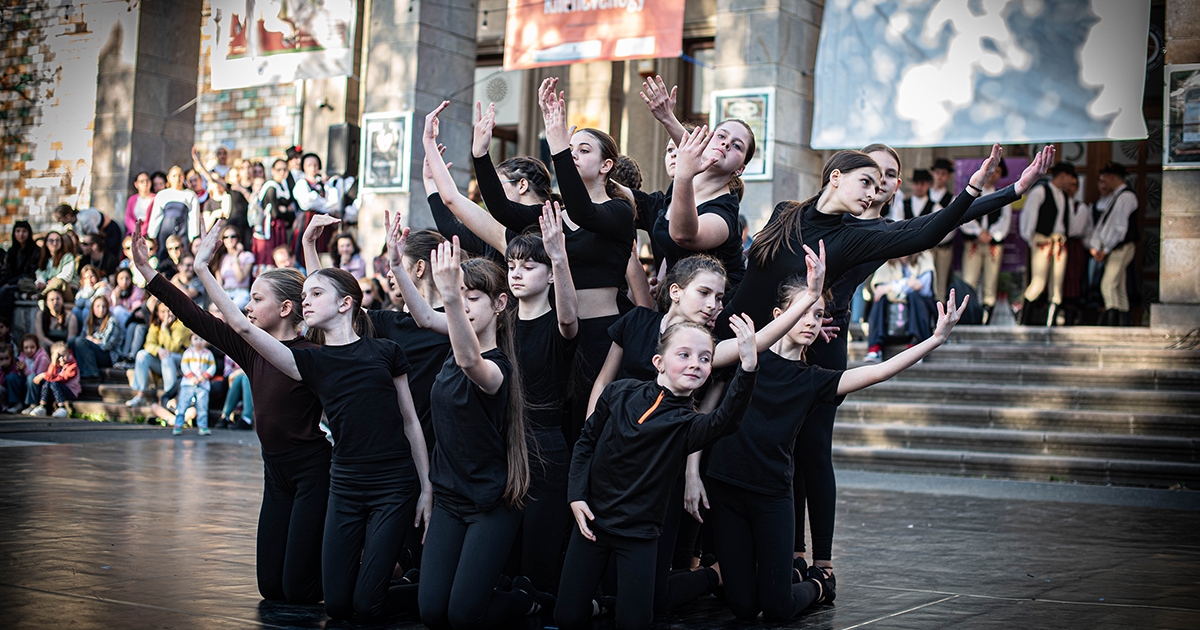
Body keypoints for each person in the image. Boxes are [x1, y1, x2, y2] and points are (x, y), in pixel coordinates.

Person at [197, 219, 432, 622]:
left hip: (393, 485)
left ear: (345, 304)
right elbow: (239, 325)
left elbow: (411, 422)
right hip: (344, 484)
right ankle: (404, 582)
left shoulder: (385, 351)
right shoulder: (311, 361)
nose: (305, 300)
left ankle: (430, 591)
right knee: (337, 605)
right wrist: (203, 268)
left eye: (315, 294)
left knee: (366, 606)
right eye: (302, 294)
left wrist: (426, 487)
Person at [701, 278, 968, 621]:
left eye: (818, 314)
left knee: (778, 608)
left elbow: (878, 371)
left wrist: (935, 339)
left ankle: (819, 584)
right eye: (803, 313)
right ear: (780, 314)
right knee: (743, 607)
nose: (811, 321)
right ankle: (787, 578)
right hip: (726, 487)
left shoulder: (814, 379)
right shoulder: (747, 351)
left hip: (770, 496)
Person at [132, 219, 330, 604]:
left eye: (257, 300)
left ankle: (364, 572)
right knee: (271, 590)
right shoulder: (251, 350)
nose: (247, 306)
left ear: (287, 308)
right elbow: (195, 317)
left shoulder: (314, 355)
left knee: (299, 590)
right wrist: (148, 274)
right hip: (276, 473)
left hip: (313, 473)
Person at [386, 233, 548, 629]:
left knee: (462, 616)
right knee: (431, 613)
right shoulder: (452, 336)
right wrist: (394, 266)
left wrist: (452, 296)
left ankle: (521, 599)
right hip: (450, 499)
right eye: (461, 297)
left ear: (499, 304)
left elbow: (468, 358)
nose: (463, 304)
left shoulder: (496, 369)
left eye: (473, 298)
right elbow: (425, 316)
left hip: (490, 505)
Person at [555, 317, 759, 630]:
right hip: (592, 525)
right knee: (567, 616)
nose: (695, 364)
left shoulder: (687, 425)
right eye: (685, 355)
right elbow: (586, 443)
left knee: (634, 621)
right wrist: (576, 496)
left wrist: (746, 368)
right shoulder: (619, 393)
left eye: (705, 359)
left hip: (638, 535)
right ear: (658, 362)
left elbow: (725, 421)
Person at [639, 76, 753, 291]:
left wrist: (683, 175)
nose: (726, 143)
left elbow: (683, 236)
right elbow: (670, 249)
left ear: (740, 169)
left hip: (719, 311)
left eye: (737, 146)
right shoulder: (688, 180)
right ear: (707, 141)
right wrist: (666, 116)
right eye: (721, 135)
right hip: (678, 298)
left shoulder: (723, 213)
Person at [1018, 161, 1078, 326]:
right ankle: (1024, 320)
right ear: (1062, 175)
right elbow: (1028, 218)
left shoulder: (1066, 197)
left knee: (1057, 285)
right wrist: (1031, 240)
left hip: (1059, 241)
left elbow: (1070, 224)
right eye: (1071, 177)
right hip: (1042, 240)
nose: (1072, 182)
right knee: (1038, 282)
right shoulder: (1040, 192)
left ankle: (1050, 323)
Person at [959, 159, 1013, 323]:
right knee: (969, 280)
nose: (993, 174)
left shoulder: (1002, 194)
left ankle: (986, 317)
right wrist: (977, 232)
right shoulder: (972, 193)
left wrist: (992, 235)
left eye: (997, 172)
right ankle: (969, 315)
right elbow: (962, 215)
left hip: (992, 245)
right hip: (974, 243)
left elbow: (1005, 220)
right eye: (991, 170)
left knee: (991, 281)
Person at [1087, 162, 1140, 326]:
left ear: (1112, 177)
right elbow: (1105, 225)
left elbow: (1119, 227)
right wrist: (1098, 245)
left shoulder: (1125, 197)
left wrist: (1106, 248)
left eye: (1105, 177)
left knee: (1108, 284)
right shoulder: (1116, 197)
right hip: (1114, 247)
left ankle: (1113, 323)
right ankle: (1123, 323)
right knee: (1119, 286)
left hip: (1121, 246)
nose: (1103, 181)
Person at [863, 252, 936, 362]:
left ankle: (915, 345)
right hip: (892, 308)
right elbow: (878, 289)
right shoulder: (886, 260)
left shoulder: (925, 256)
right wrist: (906, 283)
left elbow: (923, 288)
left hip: (916, 306)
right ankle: (875, 348)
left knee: (915, 297)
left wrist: (891, 287)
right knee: (879, 299)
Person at [125, 300, 190, 407]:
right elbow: (149, 344)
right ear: (157, 313)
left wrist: (164, 329)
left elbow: (172, 348)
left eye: (169, 311)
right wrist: (158, 350)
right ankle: (141, 395)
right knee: (142, 355)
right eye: (162, 311)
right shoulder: (155, 325)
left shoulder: (181, 325)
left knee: (167, 356)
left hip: (181, 363)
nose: (167, 314)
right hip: (164, 363)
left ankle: (169, 397)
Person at [290, 152, 341, 255]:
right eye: (309, 165)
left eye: (315, 165)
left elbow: (334, 204)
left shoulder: (324, 184)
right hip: (308, 220)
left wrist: (321, 203)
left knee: (323, 248)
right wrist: (324, 203)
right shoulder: (302, 183)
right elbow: (307, 203)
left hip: (323, 220)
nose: (313, 168)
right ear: (304, 167)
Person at [146, 166, 201, 258]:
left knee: (183, 255)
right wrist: (152, 235)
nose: (177, 179)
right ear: (169, 178)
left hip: (183, 229)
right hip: (165, 230)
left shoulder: (190, 195)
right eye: (174, 176)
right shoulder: (162, 194)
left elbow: (193, 217)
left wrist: (193, 236)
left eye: (180, 176)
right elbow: (156, 215)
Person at [252, 159, 295, 265]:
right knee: (270, 255)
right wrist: (286, 211)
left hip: (278, 226)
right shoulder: (271, 186)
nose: (282, 172)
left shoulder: (284, 186)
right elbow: (275, 212)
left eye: (284, 169)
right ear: (273, 170)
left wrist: (286, 211)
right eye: (279, 169)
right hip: (271, 227)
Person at [69, 296, 122, 380]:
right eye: (98, 306)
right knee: (72, 341)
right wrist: (91, 341)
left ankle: (92, 373)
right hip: (94, 352)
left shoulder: (112, 321)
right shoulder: (89, 320)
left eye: (104, 306)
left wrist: (92, 340)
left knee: (80, 341)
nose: (101, 309)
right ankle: (75, 370)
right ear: (93, 308)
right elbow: (83, 336)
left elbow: (106, 346)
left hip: (108, 356)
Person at [173, 333, 216, 436]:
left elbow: (212, 367)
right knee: (182, 405)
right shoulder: (188, 353)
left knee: (202, 406)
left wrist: (205, 376)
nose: (199, 341)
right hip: (188, 384)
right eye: (196, 338)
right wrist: (191, 376)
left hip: (203, 385)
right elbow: (184, 366)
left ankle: (203, 426)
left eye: (201, 338)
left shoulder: (208, 353)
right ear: (191, 340)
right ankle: (178, 425)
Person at [25, 341, 79, 418]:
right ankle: (42, 406)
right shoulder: (56, 363)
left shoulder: (72, 365)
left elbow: (62, 379)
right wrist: (53, 363)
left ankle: (62, 408)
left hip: (70, 392)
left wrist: (44, 375)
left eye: (64, 355)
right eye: (59, 356)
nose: (62, 359)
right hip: (56, 390)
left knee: (53, 382)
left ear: (68, 353)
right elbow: (50, 375)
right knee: (47, 382)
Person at [212, 225, 256, 310]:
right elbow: (219, 285)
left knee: (231, 309)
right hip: (226, 293)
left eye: (233, 236)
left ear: (238, 238)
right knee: (214, 308)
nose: (229, 239)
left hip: (241, 293)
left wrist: (236, 257)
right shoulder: (221, 258)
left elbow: (240, 278)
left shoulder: (247, 256)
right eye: (226, 237)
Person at [35, 231, 78, 296]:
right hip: (48, 286)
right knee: (23, 282)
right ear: (46, 243)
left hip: (65, 289)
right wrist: (40, 282)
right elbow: (40, 274)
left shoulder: (68, 257)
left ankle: (42, 295)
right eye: (51, 240)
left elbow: (66, 276)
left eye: (57, 240)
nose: (54, 243)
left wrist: (49, 284)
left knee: (58, 280)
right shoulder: (47, 259)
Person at [125, 171, 156, 236]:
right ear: (136, 184)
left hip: (150, 233)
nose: (145, 183)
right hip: (134, 233)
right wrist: (135, 231)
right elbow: (128, 218)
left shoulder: (155, 198)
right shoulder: (132, 199)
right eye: (142, 181)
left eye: (147, 181)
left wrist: (143, 231)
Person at [0, 343, 27, 413]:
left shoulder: (15, 367)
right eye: (1, 359)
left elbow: (4, 381)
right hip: (5, 392)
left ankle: (16, 404)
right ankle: (4, 405)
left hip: (17, 392)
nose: (4, 361)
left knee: (11, 377)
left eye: (6, 358)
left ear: (11, 357)